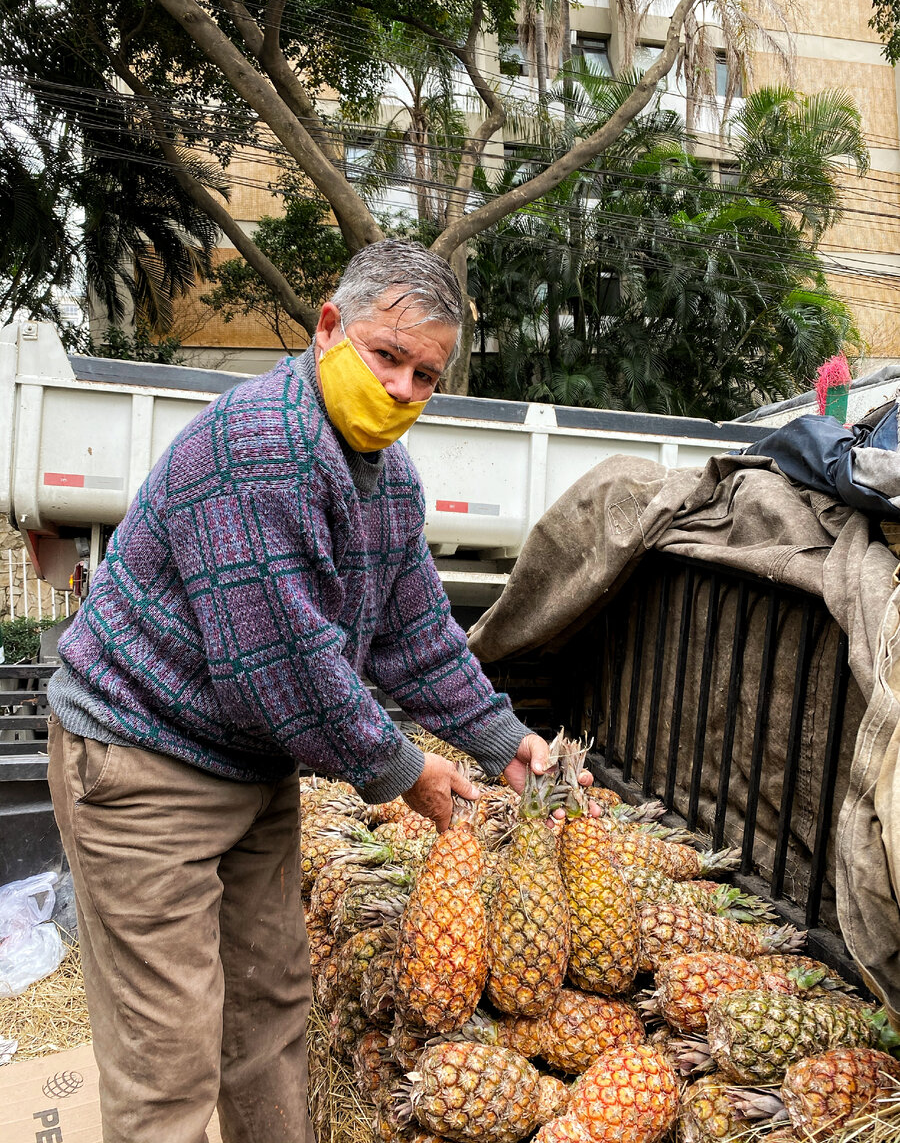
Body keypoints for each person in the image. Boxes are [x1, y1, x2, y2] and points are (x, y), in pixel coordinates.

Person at [46, 241, 573, 1143]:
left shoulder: (386, 477)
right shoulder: (261, 446)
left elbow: (414, 633)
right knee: (168, 1051)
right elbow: (278, 669)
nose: (404, 389)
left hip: (247, 767)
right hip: (142, 761)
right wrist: (403, 769)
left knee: (268, 1006)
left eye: (425, 374)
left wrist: (501, 737)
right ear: (328, 327)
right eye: (386, 356)